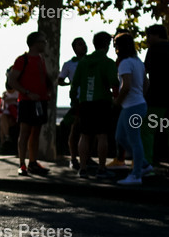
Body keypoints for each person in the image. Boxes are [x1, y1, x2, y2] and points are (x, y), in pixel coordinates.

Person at [8, 31, 56, 176]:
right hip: (27, 102)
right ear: (36, 43)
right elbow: (12, 81)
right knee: (24, 133)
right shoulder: (22, 60)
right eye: (43, 41)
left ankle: (33, 163)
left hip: (40, 102)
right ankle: (22, 164)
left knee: (36, 133)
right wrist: (28, 93)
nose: (45, 44)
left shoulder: (41, 59)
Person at [72, 32, 119, 180]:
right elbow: (114, 84)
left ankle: (83, 169)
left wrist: (75, 102)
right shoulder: (108, 62)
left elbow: (75, 85)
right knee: (102, 136)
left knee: (84, 135)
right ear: (107, 45)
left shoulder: (84, 62)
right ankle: (101, 168)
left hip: (85, 102)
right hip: (102, 102)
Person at [142, 24, 169, 177]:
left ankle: (147, 165)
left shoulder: (153, 50)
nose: (147, 39)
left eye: (149, 36)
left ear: (156, 35)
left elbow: (144, 72)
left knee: (147, 132)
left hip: (156, 98)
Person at [113, 33, 150, 185]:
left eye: (115, 43)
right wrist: (140, 96)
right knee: (120, 137)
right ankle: (144, 165)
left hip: (132, 106)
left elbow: (126, 86)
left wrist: (117, 101)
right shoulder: (138, 62)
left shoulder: (125, 63)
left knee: (134, 141)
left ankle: (136, 176)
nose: (114, 46)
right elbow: (147, 83)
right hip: (135, 105)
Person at [58, 37, 88, 169]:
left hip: (91, 99)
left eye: (84, 44)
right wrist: (70, 84)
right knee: (75, 129)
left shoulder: (90, 61)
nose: (83, 46)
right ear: (74, 48)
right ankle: (74, 158)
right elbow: (60, 80)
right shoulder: (69, 64)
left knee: (89, 131)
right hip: (77, 100)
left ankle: (86, 157)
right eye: (80, 45)